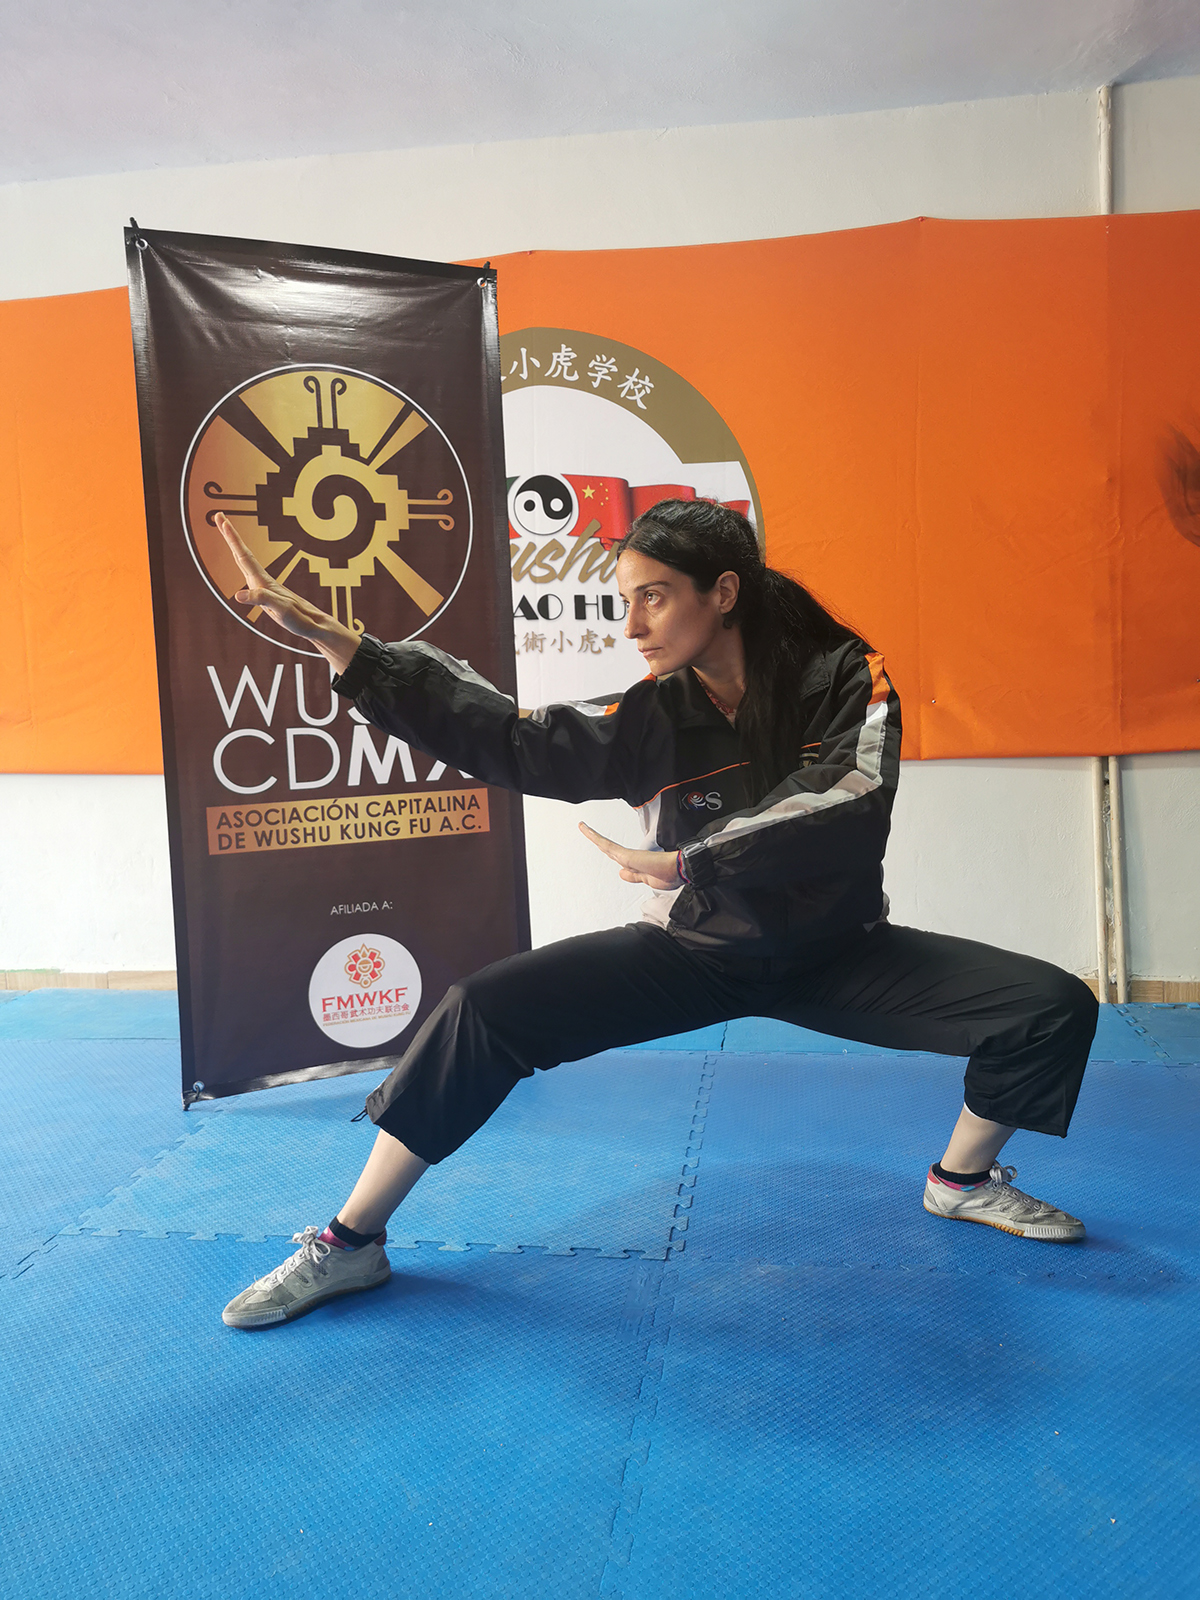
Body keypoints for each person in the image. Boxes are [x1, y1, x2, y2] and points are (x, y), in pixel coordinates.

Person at [215, 501, 1097, 1330]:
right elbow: (511, 736)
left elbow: (849, 793)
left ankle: (958, 1182)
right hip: (697, 952)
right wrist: (344, 645)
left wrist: (690, 860)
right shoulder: (652, 711)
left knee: (1049, 1006)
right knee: (483, 1010)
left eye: (654, 597)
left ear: (723, 592)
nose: (631, 626)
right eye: (625, 600)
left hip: (840, 953)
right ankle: (351, 1243)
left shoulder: (844, 676)